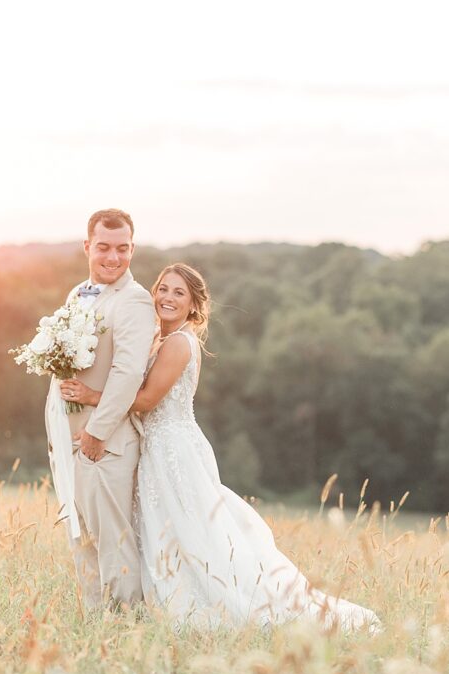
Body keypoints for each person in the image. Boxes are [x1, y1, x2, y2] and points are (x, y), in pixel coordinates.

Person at [60, 264, 381, 633]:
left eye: (179, 293)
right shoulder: (160, 340)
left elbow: (147, 400)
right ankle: (157, 600)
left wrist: (92, 397)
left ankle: (209, 602)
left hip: (173, 449)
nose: (166, 297)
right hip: (158, 446)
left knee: (191, 530)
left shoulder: (180, 342)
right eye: (163, 288)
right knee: (169, 529)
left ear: (195, 305)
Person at [44, 208, 154, 611]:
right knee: (83, 540)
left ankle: (125, 628)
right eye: (104, 248)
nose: (113, 258)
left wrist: (97, 433)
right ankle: (95, 626)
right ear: (87, 246)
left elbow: (128, 374)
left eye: (122, 249)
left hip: (104, 445)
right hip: (71, 442)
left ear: (132, 249)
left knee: (114, 542)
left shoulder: (135, 301)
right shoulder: (77, 294)